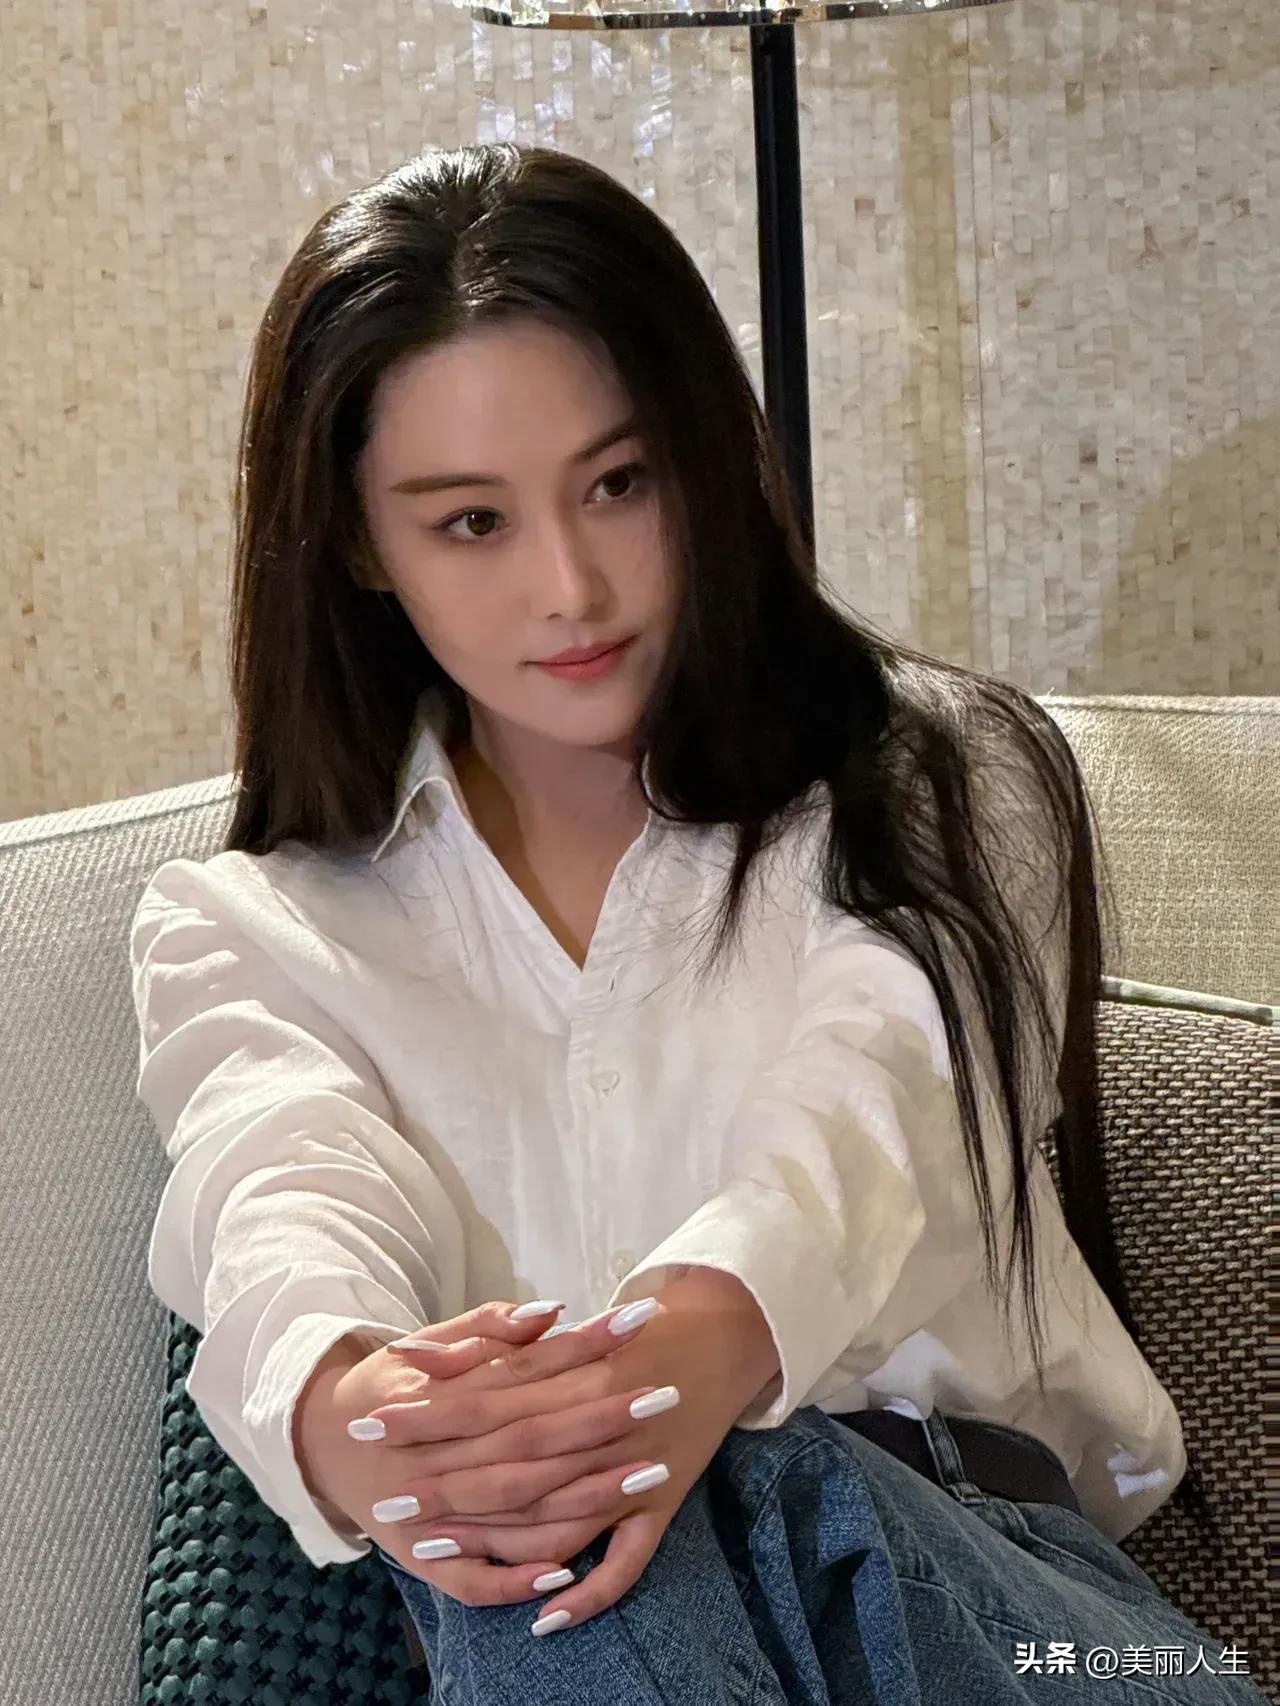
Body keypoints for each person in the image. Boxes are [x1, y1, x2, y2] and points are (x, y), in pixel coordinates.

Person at [130, 143, 1264, 1703]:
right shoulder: (252, 929)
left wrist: (684, 1359)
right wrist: (351, 1411)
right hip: (590, 1629)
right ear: (354, 542)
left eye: (621, 482)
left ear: (705, 459)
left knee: (627, 1513)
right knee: (565, 1556)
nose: (572, 585)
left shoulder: (931, 781)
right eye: (472, 522)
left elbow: (878, 1116)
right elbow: (283, 1194)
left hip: (1032, 1626)